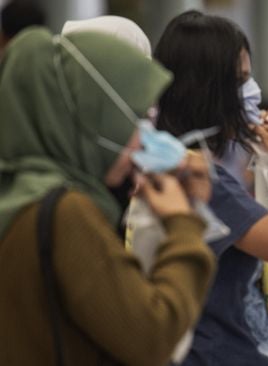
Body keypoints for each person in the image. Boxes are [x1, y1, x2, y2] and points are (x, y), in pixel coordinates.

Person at [0, 27, 216, 365]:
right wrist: (183, 224)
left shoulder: (17, 198)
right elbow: (151, 337)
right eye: (131, 120)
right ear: (89, 120)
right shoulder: (65, 213)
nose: (142, 139)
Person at [153, 10, 268, 365]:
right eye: (241, 80)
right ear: (206, 89)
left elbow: (262, 227)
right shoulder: (199, 178)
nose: (252, 92)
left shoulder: (184, 164)